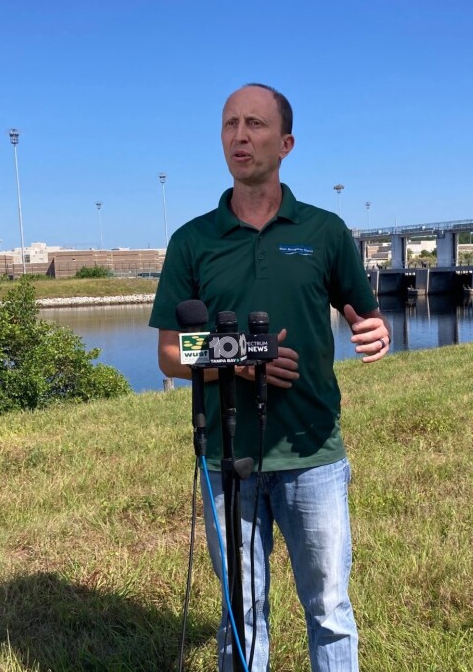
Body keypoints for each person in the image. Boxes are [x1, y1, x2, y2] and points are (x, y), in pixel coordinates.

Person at [149, 83, 390, 672]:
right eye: (230, 124)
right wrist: (243, 359)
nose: (239, 135)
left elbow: (366, 315)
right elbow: (168, 353)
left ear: (285, 143)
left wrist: (375, 332)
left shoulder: (325, 232)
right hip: (227, 460)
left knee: (330, 609)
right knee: (241, 614)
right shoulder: (192, 241)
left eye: (254, 124)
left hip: (312, 450)